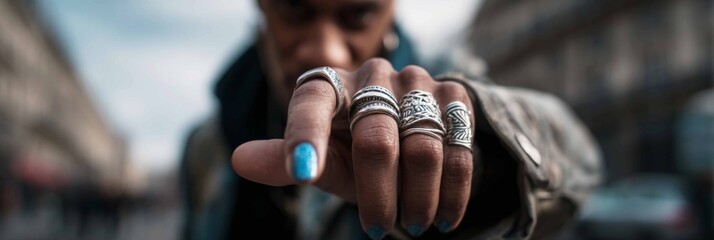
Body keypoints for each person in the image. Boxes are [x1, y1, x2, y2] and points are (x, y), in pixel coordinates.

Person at [179, 0, 603, 239]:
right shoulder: (208, 145)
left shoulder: (445, 80)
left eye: (358, 15)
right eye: (295, 9)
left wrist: (483, 155)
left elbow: (581, 159)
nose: (326, 50)